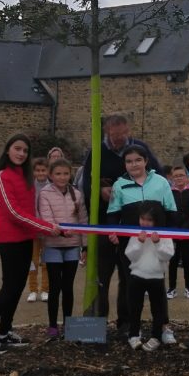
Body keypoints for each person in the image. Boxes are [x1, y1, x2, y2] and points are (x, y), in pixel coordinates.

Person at [0, 134, 62, 354]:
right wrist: (46, 227)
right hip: (9, 240)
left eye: (25, 151)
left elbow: (31, 208)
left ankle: (4, 332)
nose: (21, 154)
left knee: (17, 287)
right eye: (17, 149)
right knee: (9, 288)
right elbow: (13, 213)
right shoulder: (2, 176)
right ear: (8, 150)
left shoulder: (25, 175)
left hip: (25, 239)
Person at [81, 114, 163, 324]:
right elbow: (87, 184)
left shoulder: (139, 148)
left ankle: (126, 322)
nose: (119, 139)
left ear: (129, 130)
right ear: (107, 132)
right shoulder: (97, 152)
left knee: (129, 276)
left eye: (123, 134)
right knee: (102, 276)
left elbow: (157, 176)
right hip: (103, 223)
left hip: (132, 224)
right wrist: (100, 190)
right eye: (115, 135)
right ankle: (97, 322)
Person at [105, 143, 177, 333]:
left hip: (155, 243)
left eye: (138, 160)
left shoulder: (161, 182)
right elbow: (112, 213)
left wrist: (168, 238)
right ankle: (127, 324)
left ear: (146, 161)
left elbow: (171, 212)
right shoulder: (119, 185)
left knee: (158, 283)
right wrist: (113, 232)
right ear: (125, 165)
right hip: (130, 245)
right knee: (128, 282)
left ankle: (162, 325)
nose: (134, 164)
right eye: (129, 161)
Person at [36, 157, 87, 338]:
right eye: (58, 174)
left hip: (72, 246)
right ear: (50, 175)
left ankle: (68, 324)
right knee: (55, 287)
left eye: (65, 174)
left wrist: (85, 247)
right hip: (53, 246)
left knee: (68, 287)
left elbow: (83, 221)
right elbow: (46, 219)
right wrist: (59, 231)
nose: (62, 177)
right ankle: (52, 325)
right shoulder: (45, 194)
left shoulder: (77, 194)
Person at [125, 203, 176, 350]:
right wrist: (139, 243)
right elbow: (130, 255)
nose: (145, 223)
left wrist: (158, 243)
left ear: (157, 220)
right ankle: (133, 335)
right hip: (137, 276)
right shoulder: (136, 234)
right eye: (142, 218)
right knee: (135, 307)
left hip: (156, 277)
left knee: (158, 309)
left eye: (149, 220)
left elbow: (167, 255)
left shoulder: (165, 234)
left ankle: (156, 336)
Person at [166, 166, 189, 299]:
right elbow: (167, 211)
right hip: (173, 233)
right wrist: (173, 228)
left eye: (181, 175)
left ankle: (188, 288)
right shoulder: (168, 192)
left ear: (186, 177)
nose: (179, 178)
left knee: (187, 261)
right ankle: (172, 288)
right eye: (176, 176)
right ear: (172, 178)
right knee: (172, 261)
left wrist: (186, 227)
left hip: (186, 233)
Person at [26, 157, 51, 303]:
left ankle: (45, 289)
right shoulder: (29, 186)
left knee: (46, 261)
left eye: (43, 170)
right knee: (33, 261)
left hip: (47, 230)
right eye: (37, 170)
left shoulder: (52, 187)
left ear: (48, 171)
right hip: (33, 229)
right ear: (33, 171)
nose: (40, 173)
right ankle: (33, 290)